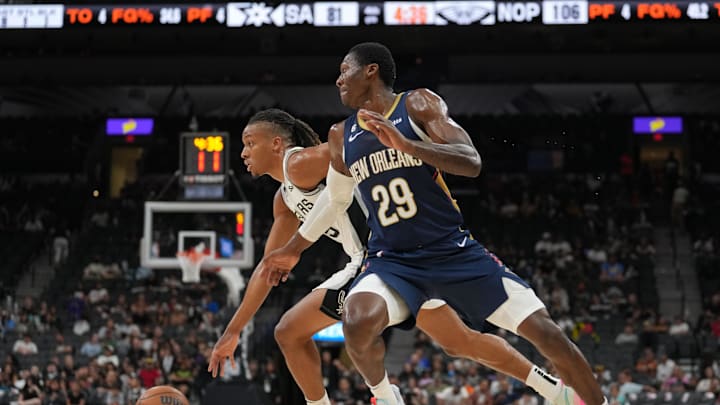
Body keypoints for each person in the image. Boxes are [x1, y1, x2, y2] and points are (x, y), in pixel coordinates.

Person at [259, 42, 606, 405]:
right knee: (358, 321)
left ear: (371, 71)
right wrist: (292, 250)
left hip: (452, 252)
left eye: (345, 70)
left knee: (547, 335)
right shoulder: (339, 135)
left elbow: (470, 162)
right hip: (393, 261)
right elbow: (336, 198)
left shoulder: (417, 104)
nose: (338, 80)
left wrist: (409, 146)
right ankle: (386, 397)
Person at [207, 109, 583, 405]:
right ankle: (554, 391)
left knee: (289, 331)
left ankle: (379, 397)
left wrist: (376, 133)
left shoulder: (299, 162)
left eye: (248, 142)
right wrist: (233, 331)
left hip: (380, 258)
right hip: (398, 264)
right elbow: (268, 267)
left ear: (276, 144)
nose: (241, 152)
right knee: (460, 343)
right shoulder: (284, 199)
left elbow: (344, 149)